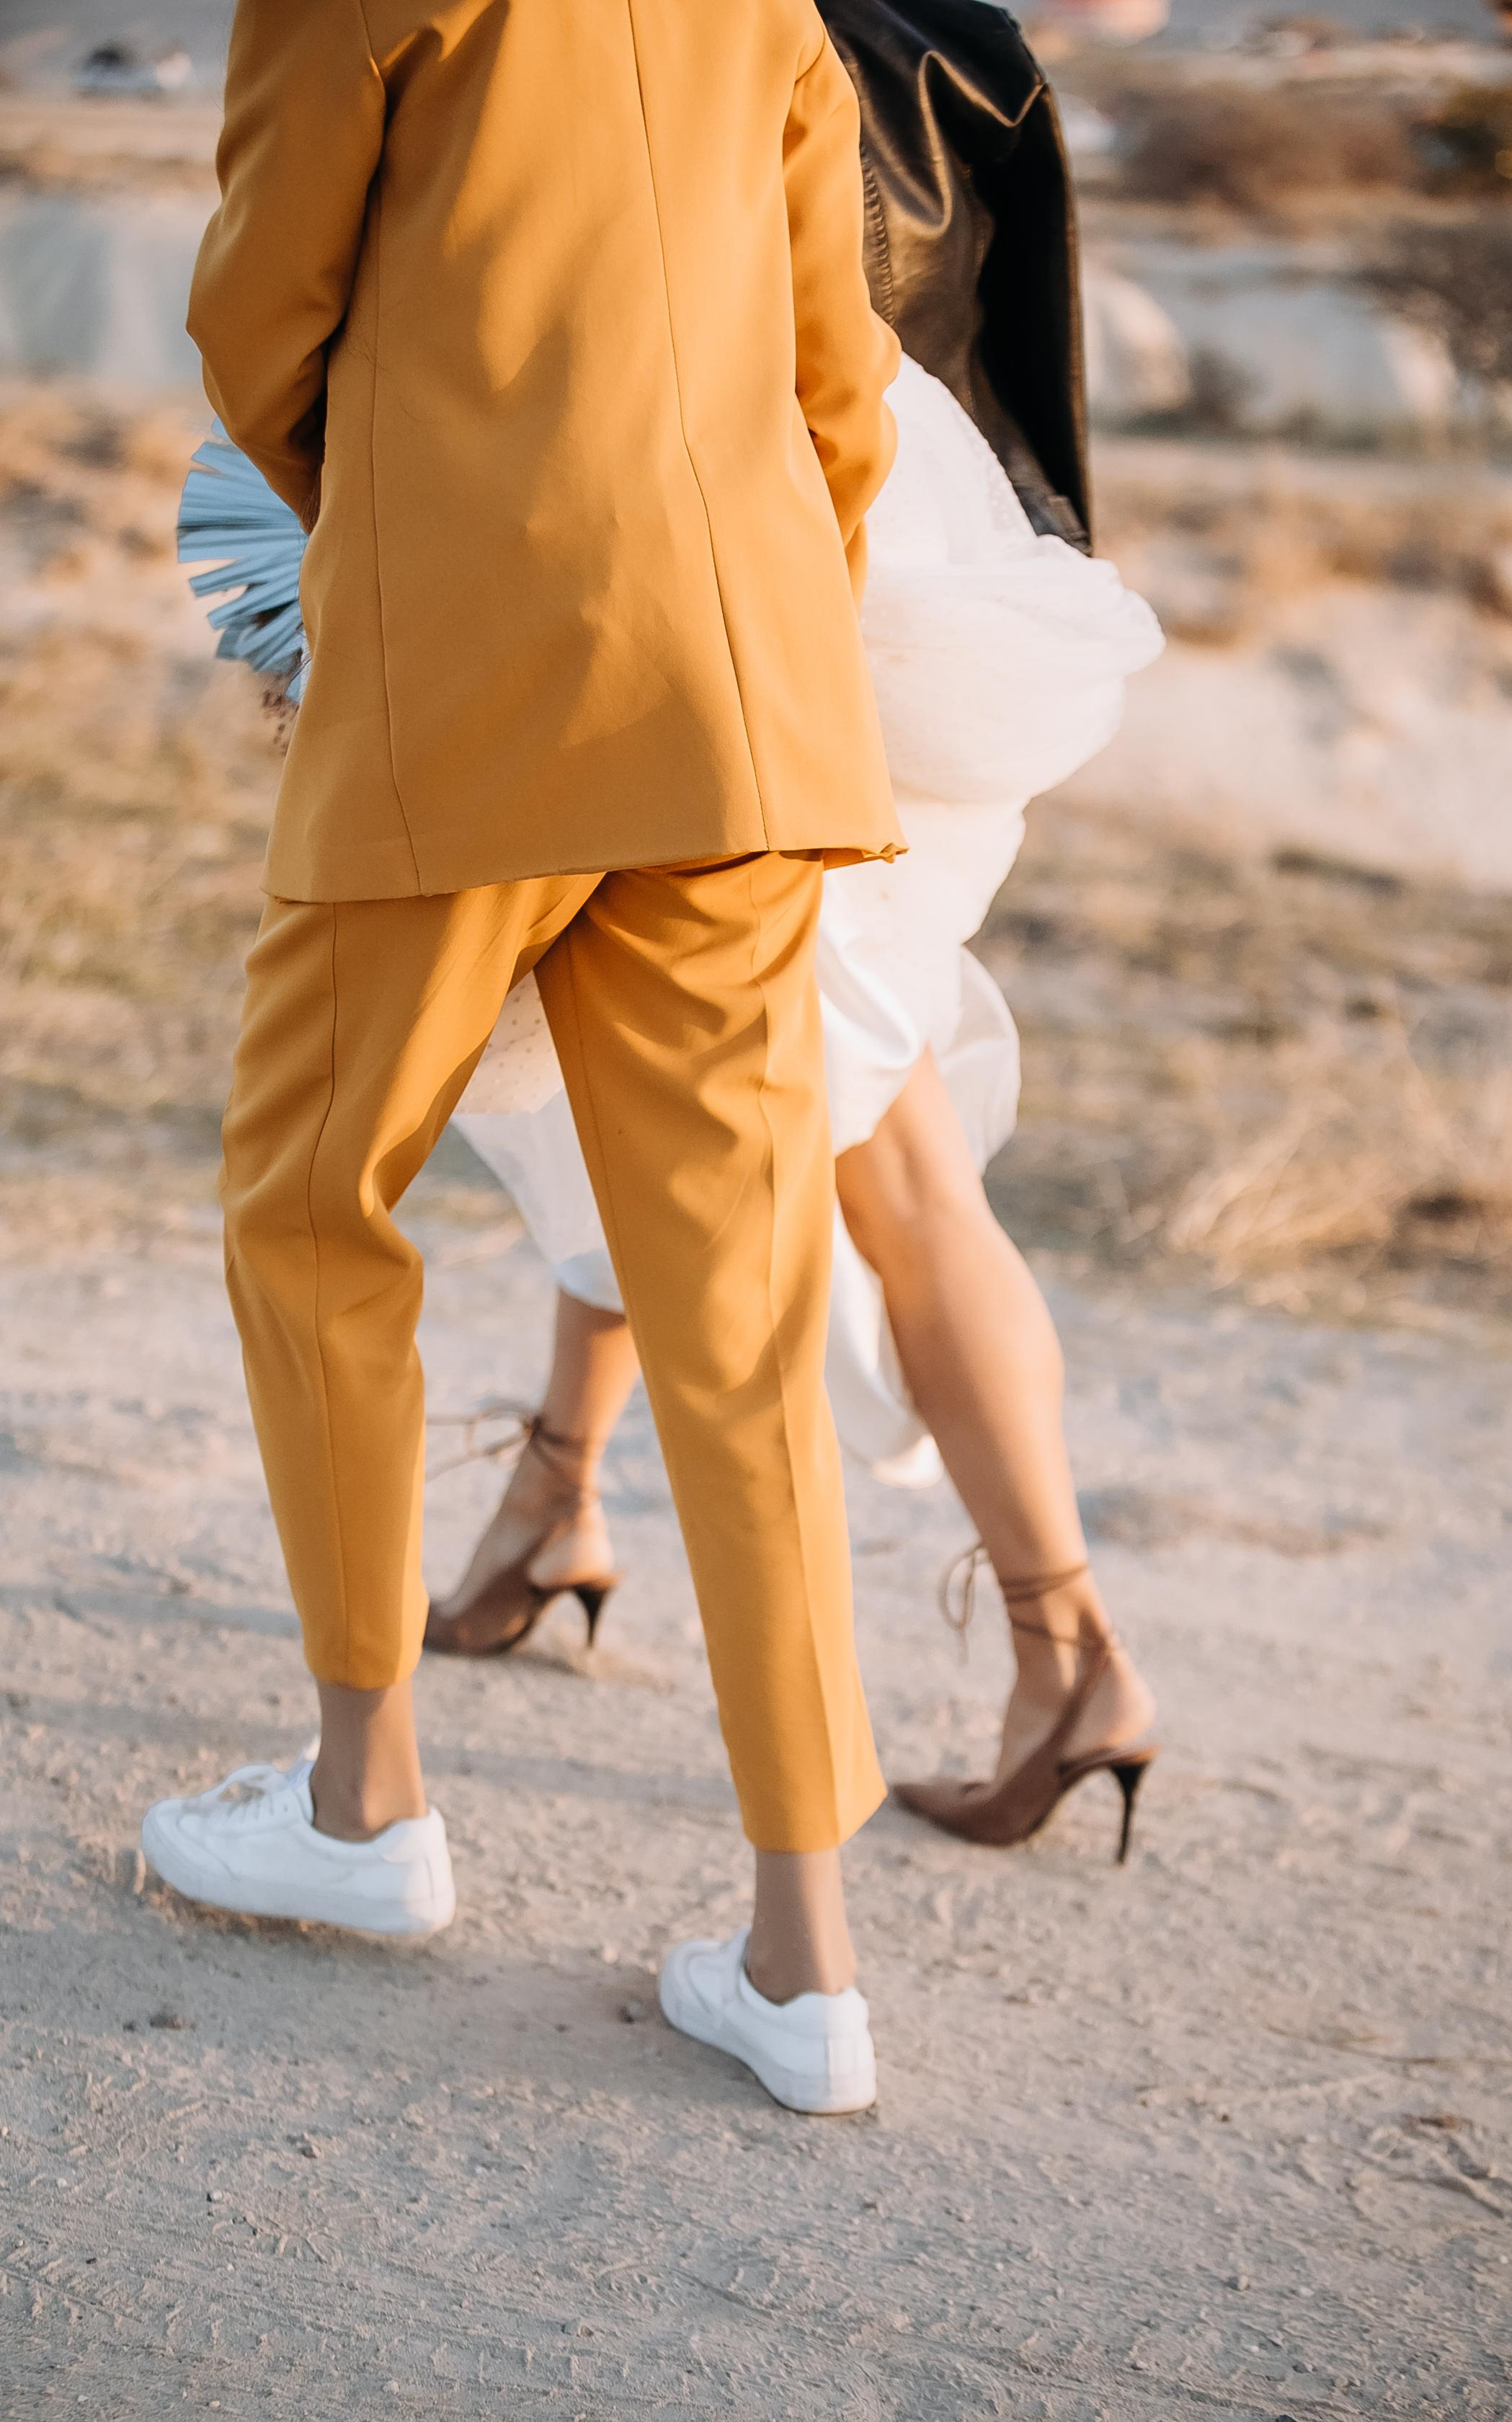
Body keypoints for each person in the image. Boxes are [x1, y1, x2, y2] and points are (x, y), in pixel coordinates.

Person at [140, 0, 915, 2121]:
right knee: (743, 1313)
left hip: (470, 673)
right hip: (741, 702)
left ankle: (366, 1803)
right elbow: (840, 390)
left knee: (309, 1205)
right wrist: (741, 597)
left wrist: (398, 531)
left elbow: (256, 317)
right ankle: (804, 1962)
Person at [425, 0, 1163, 1856]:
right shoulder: (955, 33)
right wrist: (1016, 567)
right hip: (936, 598)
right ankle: (554, 1502)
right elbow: (1024, 338)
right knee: (621, 1078)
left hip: (734, 594)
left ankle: (1067, 1650)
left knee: (875, 1145)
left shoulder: (649, 32)